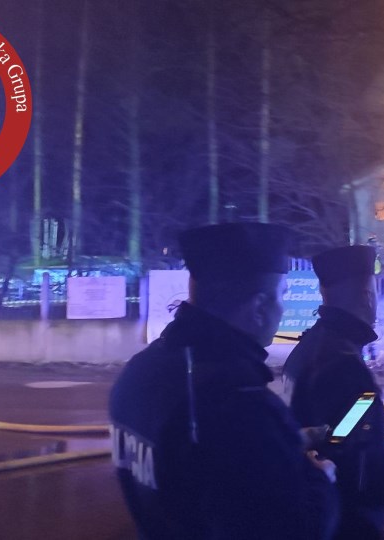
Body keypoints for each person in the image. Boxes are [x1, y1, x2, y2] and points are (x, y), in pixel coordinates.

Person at [109, 223, 338, 539]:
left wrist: (283, 442)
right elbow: (299, 529)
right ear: (259, 308)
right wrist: (321, 480)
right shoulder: (239, 400)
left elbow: (199, 463)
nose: (282, 308)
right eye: (282, 295)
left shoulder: (140, 370)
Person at [284, 245, 384, 540]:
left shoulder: (306, 349)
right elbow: (357, 463)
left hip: (315, 512)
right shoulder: (349, 369)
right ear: (368, 296)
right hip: (350, 524)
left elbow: (333, 436)